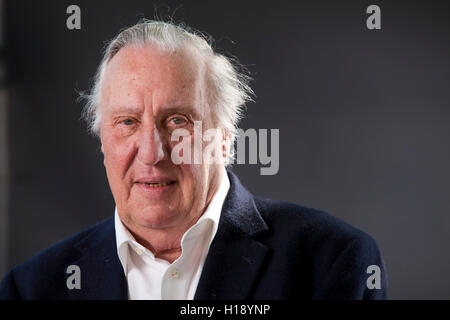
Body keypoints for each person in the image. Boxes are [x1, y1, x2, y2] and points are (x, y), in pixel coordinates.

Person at [0, 20, 387, 300]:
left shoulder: (332, 262)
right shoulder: (31, 287)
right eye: (127, 122)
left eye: (178, 121)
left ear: (224, 137)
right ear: (103, 141)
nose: (152, 152)